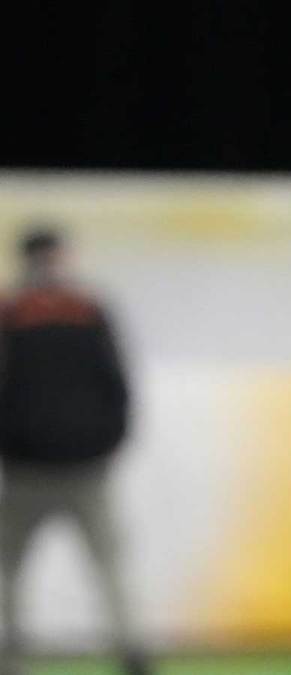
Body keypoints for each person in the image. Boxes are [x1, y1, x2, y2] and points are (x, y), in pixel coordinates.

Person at [0, 226, 148, 675]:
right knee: (109, 564)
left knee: (10, 567)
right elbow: (118, 384)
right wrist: (109, 441)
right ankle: (132, 650)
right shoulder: (88, 310)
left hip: (27, 468)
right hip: (84, 467)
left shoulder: (11, 314)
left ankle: (11, 657)